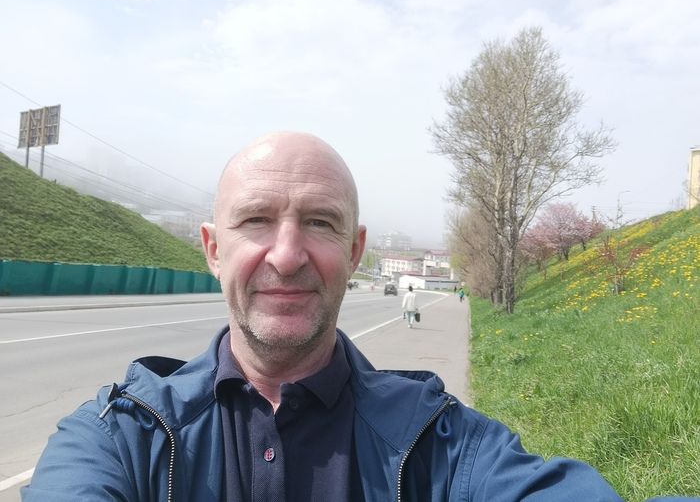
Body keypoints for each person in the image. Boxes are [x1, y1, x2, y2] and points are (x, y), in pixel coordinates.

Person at [23, 131, 699, 502]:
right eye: (256, 220)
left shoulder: (444, 447)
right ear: (212, 249)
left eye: (320, 223)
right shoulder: (121, 436)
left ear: (354, 252)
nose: (287, 255)